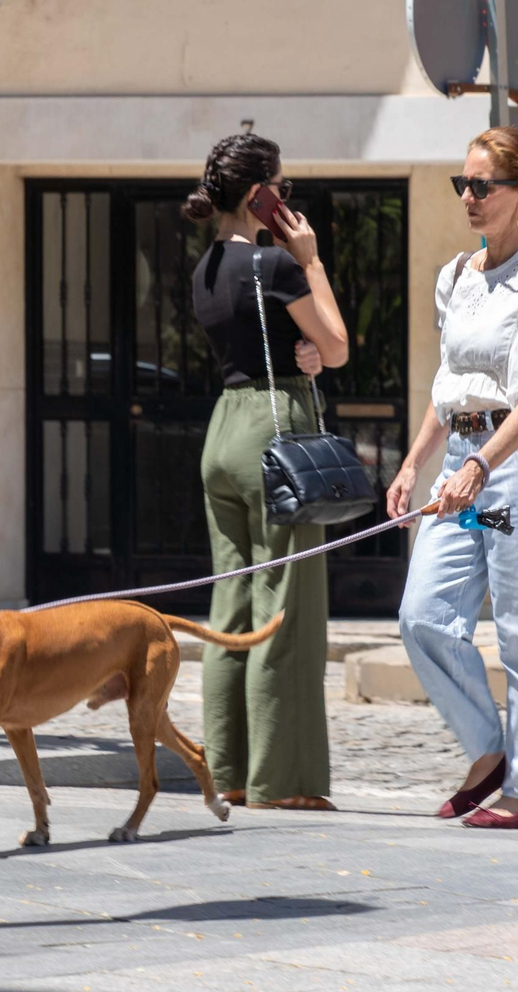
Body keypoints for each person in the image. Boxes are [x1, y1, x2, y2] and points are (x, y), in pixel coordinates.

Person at [387, 126, 518, 829]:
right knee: (423, 616)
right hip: (459, 467)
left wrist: (482, 464)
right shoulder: (457, 277)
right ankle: (488, 751)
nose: (469, 197)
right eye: (464, 185)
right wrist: (417, 462)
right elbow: (452, 386)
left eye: (483, 186)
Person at [184, 133, 349, 811]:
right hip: (273, 427)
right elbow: (336, 348)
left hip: (222, 429)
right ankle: (284, 781)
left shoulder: (203, 272)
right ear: (260, 195)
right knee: (287, 606)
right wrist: (310, 262)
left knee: (232, 606)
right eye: (283, 186)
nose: (289, 199)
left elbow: (265, 345)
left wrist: (299, 350)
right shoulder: (277, 267)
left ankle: (226, 770)